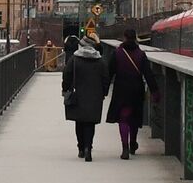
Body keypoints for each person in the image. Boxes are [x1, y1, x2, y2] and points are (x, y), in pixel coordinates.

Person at [105, 28, 159, 159]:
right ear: (135, 38)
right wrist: (155, 91)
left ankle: (125, 147)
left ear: (124, 37)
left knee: (123, 118)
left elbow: (109, 72)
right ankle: (133, 143)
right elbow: (149, 75)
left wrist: (104, 90)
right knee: (133, 118)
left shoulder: (117, 53)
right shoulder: (141, 54)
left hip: (121, 90)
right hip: (136, 89)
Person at [62, 37, 107, 161]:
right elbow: (105, 77)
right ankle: (88, 147)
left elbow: (67, 74)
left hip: (78, 95)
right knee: (90, 123)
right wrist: (104, 92)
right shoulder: (100, 60)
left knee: (79, 122)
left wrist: (65, 89)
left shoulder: (74, 59)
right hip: (94, 96)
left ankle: (81, 148)